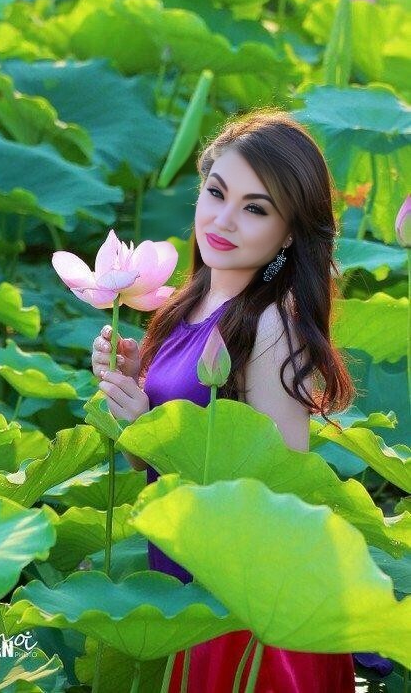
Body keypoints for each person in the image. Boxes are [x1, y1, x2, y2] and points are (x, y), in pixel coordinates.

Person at [91, 110, 357, 692]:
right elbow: (150, 464)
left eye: (255, 209)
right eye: (216, 193)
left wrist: (154, 425)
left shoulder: (272, 328)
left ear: (289, 233)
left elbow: (277, 498)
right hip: (184, 583)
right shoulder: (185, 307)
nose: (223, 220)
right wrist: (134, 397)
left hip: (242, 611)